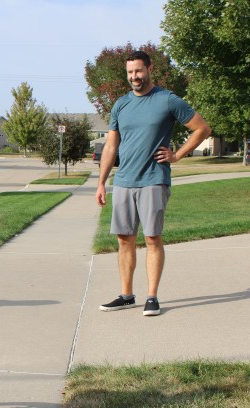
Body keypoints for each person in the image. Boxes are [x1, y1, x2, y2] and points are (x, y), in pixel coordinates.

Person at [96, 50, 211, 317]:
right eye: (130, 73)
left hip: (153, 179)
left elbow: (202, 129)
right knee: (124, 240)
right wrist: (102, 182)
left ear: (149, 69)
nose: (134, 77)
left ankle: (152, 297)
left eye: (138, 71)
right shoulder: (120, 105)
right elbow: (112, 145)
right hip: (124, 181)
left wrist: (178, 155)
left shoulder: (167, 100)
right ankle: (126, 295)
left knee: (152, 238)